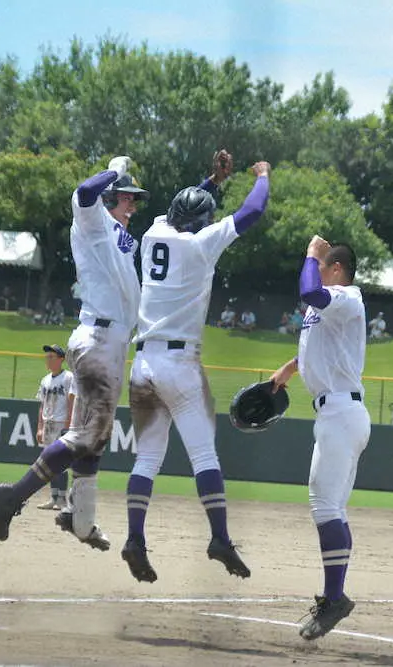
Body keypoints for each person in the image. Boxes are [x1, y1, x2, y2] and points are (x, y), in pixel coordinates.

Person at [122, 151, 270, 584]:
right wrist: (261, 174)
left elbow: (183, 205)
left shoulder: (153, 233)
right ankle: (219, 537)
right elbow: (253, 210)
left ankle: (134, 539)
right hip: (179, 363)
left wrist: (213, 180)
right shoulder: (202, 244)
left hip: (143, 360)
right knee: (203, 454)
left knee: (147, 457)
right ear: (202, 221)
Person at [0, 155, 147, 552]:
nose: (133, 204)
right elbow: (82, 193)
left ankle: (80, 521)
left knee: (93, 441)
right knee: (89, 435)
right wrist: (116, 170)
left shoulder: (119, 236)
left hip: (106, 343)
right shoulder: (93, 221)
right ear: (111, 197)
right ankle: (15, 495)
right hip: (98, 340)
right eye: (128, 197)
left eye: (135, 199)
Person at [269, 237, 370, 641]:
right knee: (332, 508)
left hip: (342, 413)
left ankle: (335, 598)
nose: (316, 270)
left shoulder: (347, 297)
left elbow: (309, 289)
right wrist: (291, 368)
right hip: (336, 412)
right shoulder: (328, 306)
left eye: (323, 265)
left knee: (324, 505)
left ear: (337, 268)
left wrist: (311, 254)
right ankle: (335, 597)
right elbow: (325, 348)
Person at [34, 344, 75, 511]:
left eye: (51, 357)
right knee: (49, 462)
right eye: (47, 357)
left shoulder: (68, 378)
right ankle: (53, 497)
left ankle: (62, 499)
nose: (48, 360)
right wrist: (40, 427)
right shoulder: (45, 380)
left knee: (61, 462)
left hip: (61, 424)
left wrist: (68, 424)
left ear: (61, 359)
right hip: (48, 424)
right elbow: (42, 405)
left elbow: (72, 401)